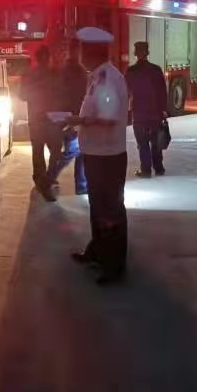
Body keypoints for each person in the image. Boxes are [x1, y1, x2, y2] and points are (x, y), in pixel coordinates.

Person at [68, 27, 129, 285]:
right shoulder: (97, 77)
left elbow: (109, 118)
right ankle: (98, 252)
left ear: (92, 52)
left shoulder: (107, 79)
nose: (79, 55)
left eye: (83, 50)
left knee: (110, 210)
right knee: (98, 207)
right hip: (97, 153)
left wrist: (78, 120)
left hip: (107, 156)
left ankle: (113, 265)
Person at [19, 45, 61, 202]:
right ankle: (47, 179)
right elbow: (61, 94)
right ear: (47, 58)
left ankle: (41, 179)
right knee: (56, 151)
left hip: (36, 119)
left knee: (38, 151)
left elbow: (22, 95)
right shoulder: (54, 74)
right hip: (50, 119)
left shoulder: (28, 75)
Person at [49, 39, 88, 195]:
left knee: (78, 150)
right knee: (73, 150)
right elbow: (80, 95)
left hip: (67, 115)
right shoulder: (77, 71)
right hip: (74, 116)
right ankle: (50, 177)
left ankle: (81, 184)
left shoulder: (64, 70)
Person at [125, 41, 168, 178]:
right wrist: (163, 110)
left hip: (139, 113)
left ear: (135, 53)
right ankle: (159, 168)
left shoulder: (131, 71)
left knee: (142, 143)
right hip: (155, 112)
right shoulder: (156, 70)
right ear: (148, 52)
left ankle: (146, 170)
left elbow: (125, 92)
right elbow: (163, 92)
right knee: (155, 142)